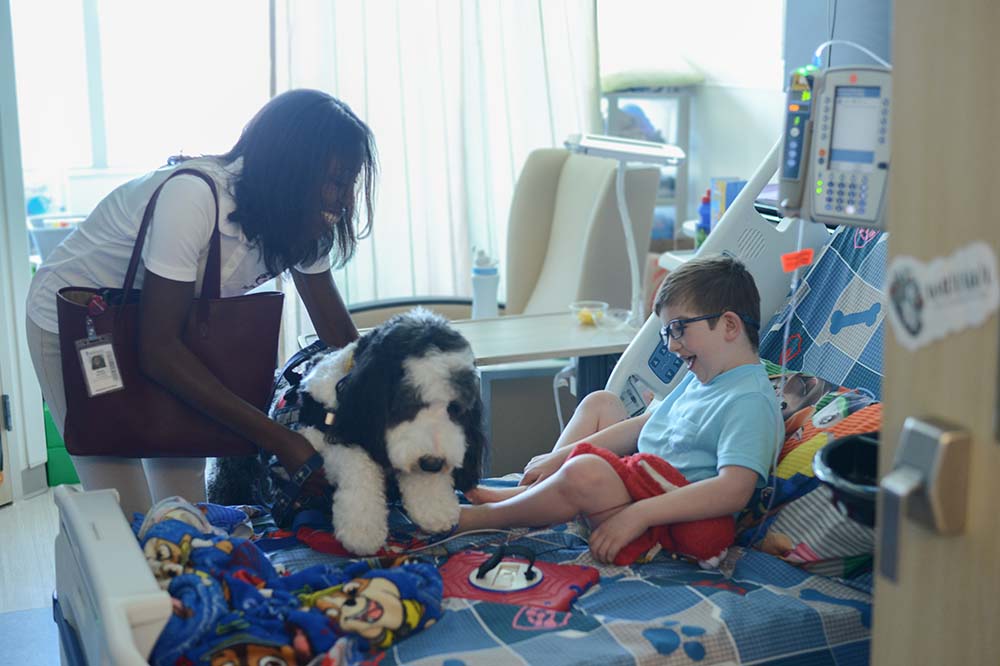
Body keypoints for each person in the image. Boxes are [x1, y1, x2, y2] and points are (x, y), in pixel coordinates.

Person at [25, 89, 377, 517]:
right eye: (336, 182)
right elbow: (158, 352)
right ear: (292, 172)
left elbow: (339, 338)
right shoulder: (194, 198)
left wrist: (387, 407)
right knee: (127, 515)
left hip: (165, 327)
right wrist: (280, 439)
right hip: (83, 326)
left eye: (350, 183)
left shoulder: (301, 223)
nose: (343, 200)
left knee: (186, 508)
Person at [460, 255, 782, 564]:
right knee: (600, 403)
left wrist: (638, 514)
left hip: (667, 519)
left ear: (728, 326)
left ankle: (492, 517)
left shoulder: (748, 400)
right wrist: (558, 457)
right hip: (641, 482)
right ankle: (534, 492)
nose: (671, 345)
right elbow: (646, 425)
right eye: (667, 332)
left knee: (585, 470)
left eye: (679, 328)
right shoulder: (706, 376)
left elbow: (733, 491)